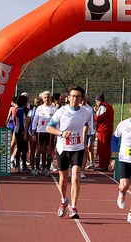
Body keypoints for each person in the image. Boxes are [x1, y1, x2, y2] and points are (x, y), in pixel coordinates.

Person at [46, 85, 90, 219]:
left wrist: (85, 143)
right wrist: (61, 133)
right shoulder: (61, 111)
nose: (75, 99)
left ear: (82, 99)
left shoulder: (85, 112)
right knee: (63, 180)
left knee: (76, 177)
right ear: (68, 97)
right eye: (73, 96)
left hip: (77, 148)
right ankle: (64, 199)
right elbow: (49, 127)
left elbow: (86, 126)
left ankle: (74, 207)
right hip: (63, 148)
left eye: (78, 96)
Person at [31, 91, 57, 177]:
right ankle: (37, 169)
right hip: (40, 131)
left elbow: (57, 122)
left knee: (49, 150)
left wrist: (57, 133)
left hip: (49, 132)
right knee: (39, 150)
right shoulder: (39, 108)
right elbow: (35, 121)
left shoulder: (54, 109)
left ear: (51, 98)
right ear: (42, 98)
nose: (47, 99)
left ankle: (47, 169)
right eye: (45, 97)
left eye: (48, 97)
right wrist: (33, 133)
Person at [94, 93, 114, 171]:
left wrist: (96, 112)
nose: (96, 103)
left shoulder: (103, 107)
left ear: (99, 100)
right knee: (107, 148)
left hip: (103, 130)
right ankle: (106, 163)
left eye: (96, 101)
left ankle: (103, 164)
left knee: (102, 148)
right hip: (109, 129)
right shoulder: (110, 106)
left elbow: (97, 118)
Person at [24, 97, 43, 176]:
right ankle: (32, 167)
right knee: (32, 150)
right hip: (32, 133)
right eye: (41, 102)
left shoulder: (43, 111)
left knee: (40, 151)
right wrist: (25, 134)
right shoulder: (31, 112)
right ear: (38, 103)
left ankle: (39, 167)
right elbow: (27, 123)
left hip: (40, 132)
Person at [80, 93, 96, 178]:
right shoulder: (76, 107)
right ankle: (73, 169)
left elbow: (92, 122)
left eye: (85, 99)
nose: (83, 101)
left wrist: (93, 133)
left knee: (85, 150)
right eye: (82, 99)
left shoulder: (89, 109)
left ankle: (82, 170)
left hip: (87, 133)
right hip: (77, 132)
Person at [13, 95, 30, 173]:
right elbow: (21, 122)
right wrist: (24, 132)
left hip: (19, 131)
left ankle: (23, 165)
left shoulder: (18, 109)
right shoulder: (20, 110)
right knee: (20, 148)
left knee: (24, 149)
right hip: (20, 131)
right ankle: (17, 166)